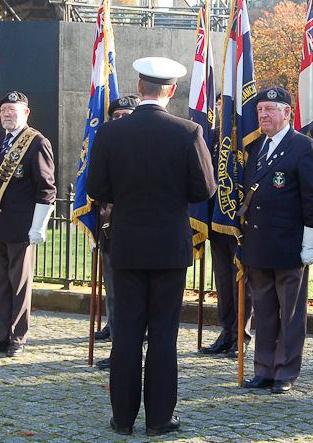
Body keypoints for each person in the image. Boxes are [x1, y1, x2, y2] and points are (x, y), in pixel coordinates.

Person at [86, 57, 216, 436]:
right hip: (168, 249)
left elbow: (97, 189)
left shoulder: (111, 133)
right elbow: (205, 190)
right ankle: (160, 419)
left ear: (139, 87)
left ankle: (122, 419)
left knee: (126, 334)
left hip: (126, 245)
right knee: (163, 335)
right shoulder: (188, 131)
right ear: (171, 90)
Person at [239, 86, 313, 394]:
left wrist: (310, 245)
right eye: (260, 110)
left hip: (289, 246)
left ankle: (286, 371)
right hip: (259, 244)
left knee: (290, 313)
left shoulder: (303, 147)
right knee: (263, 311)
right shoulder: (255, 147)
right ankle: (263, 368)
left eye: (270, 110)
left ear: (287, 112)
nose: (263, 115)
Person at [0, 90, 56, 358]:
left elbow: (46, 187)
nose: (7, 114)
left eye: (13, 110)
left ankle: (18, 337)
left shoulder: (36, 142)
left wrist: (39, 225)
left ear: (26, 113)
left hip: (22, 228)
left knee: (19, 284)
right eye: (3, 110)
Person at [200, 93, 253, 358]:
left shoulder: (247, 133)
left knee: (241, 278)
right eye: (218, 104)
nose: (220, 108)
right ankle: (226, 331)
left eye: (225, 105)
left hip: (240, 220)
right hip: (217, 218)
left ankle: (241, 334)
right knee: (223, 279)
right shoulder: (213, 135)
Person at [94, 95, 141, 370]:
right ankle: (115, 334)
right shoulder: (106, 144)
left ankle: (130, 346)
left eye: (127, 115)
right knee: (113, 290)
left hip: (137, 234)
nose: (121, 120)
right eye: (117, 116)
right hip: (111, 229)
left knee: (134, 298)